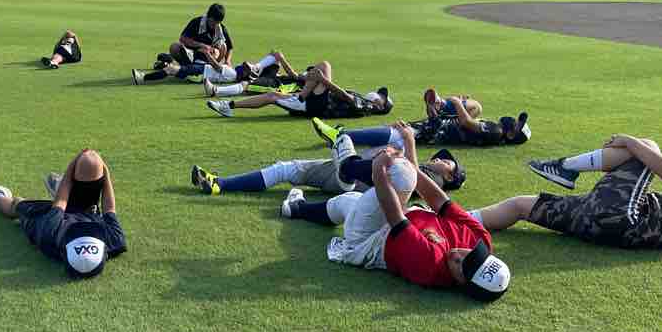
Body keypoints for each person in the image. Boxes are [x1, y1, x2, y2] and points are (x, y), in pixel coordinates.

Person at [282, 130, 510, 301]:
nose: (459, 255)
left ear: (460, 284)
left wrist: (379, 170)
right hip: (400, 220)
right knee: (350, 201)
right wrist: (412, 166)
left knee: (400, 174)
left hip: (370, 242)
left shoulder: (430, 266)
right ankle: (297, 208)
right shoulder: (481, 239)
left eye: (462, 266)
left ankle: (347, 168)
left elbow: (394, 217)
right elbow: (440, 201)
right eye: (472, 255)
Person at [469, 134, 662, 250]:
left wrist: (629, 142)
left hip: (623, 218)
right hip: (597, 224)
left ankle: (566, 168)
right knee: (520, 206)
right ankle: (461, 219)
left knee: (648, 147)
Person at [0, 149, 127, 279]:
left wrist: (71, 169)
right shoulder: (114, 239)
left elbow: (60, 203)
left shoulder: (50, 232)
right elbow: (109, 208)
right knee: (91, 160)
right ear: (105, 251)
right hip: (85, 210)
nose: (83, 229)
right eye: (89, 232)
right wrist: (105, 171)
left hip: (46, 216)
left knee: (15, 206)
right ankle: (72, 194)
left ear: (64, 247)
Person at [191, 125, 467, 196]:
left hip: (360, 184)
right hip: (357, 176)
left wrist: (409, 142)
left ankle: (340, 143)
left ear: (450, 176)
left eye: (447, 163)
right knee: (287, 169)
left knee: (289, 168)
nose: (440, 159)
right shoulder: (426, 167)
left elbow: (415, 181)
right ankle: (219, 184)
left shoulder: (436, 181)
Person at [314, 95, 528, 148]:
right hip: (436, 128)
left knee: (395, 134)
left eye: (517, 124)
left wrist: (456, 101)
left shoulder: (496, 131)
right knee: (391, 130)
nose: (514, 120)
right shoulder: (496, 132)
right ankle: (344, 134)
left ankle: (339, 135)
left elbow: (466, 123)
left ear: (512, 134)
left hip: (435, 132)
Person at [206, 60, 392, 119]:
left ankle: (228, 106)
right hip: (317, 101)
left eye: (381, 98)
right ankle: (229, 106)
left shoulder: (368, 106)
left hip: (319, 106)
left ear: (380, 106)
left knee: (323, 67)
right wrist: (318, 80)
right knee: (272, 95)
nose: (377, 95)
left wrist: (323, 81)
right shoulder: (366, 101)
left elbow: (345, 96)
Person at [131, 49, 297, 88]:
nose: (247, 63)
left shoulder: (233, 73)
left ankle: (142, 78)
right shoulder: (238, 71)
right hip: (201, 69)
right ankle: (163, 65)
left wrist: (208, 55)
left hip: (200, 72)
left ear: (247, 73)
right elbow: (274, 54)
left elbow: (217, 67)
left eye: (248, 66)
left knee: (172, 70)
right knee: (173, 68)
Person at [166, 3, 233, 68]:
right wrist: (202, 45)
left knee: (222, 47)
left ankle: (212, 67)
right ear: (208, 17)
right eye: (213, 21)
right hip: (190, 52)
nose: (215, 24)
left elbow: (229, 47)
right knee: (174, 47)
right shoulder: (196, 22)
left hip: (209, 56)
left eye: (217, 22)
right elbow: (182, 39)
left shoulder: (221, 28)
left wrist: (227, 61)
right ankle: (183, 64)